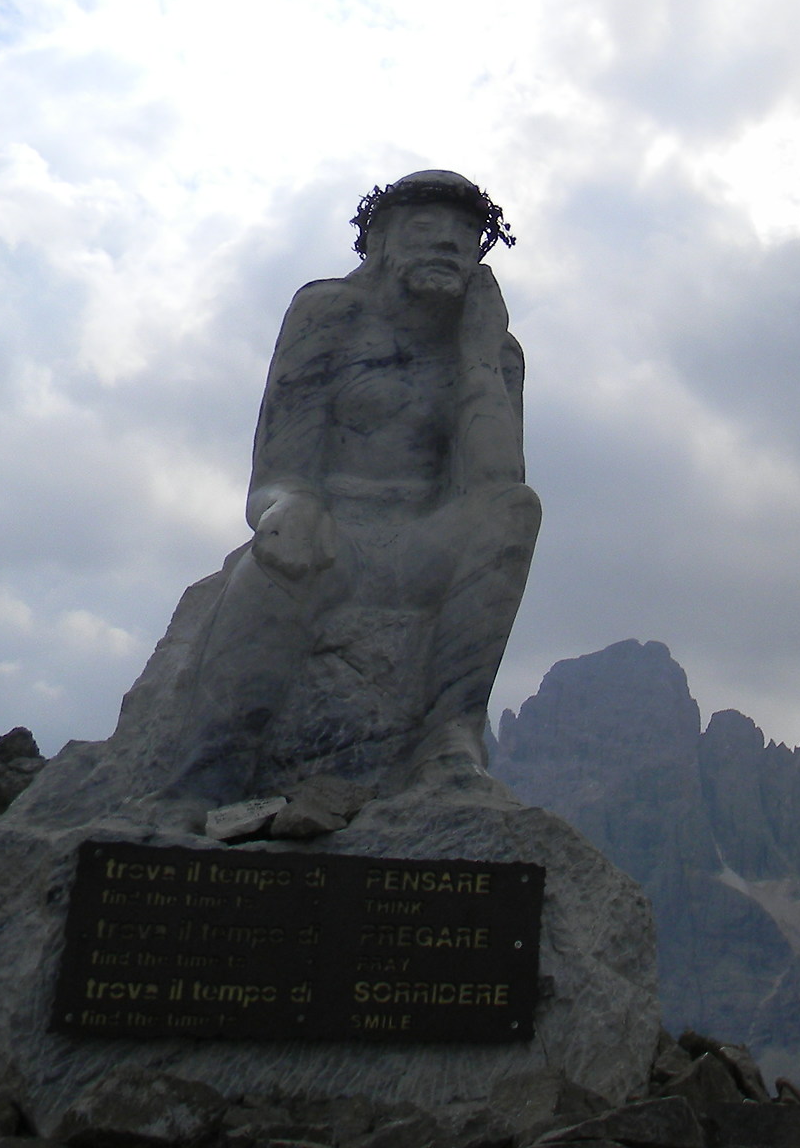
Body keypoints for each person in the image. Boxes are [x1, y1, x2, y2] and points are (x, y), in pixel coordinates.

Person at [159, 170, 541, 802]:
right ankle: (208, 778)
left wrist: (477, 357)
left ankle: (449, 738)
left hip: (424, 548)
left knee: (516, 512)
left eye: (466, 236)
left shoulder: (497, 353)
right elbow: (274, 475)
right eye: (424, 230)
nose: (447, 246)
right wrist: (294, 506)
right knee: (282, 559)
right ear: (380, 242)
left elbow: (496, 488)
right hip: (337, 533)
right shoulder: (328, 313)